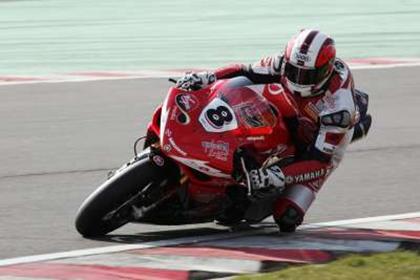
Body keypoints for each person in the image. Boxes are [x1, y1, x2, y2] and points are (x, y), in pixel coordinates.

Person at [176, 29, 371, 232]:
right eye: (295, 71)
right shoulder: (282, 64)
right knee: (250, 106)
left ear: (326, 71)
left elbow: (319, 162)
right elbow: (245, 70)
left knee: (287, 216)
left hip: (321, 141)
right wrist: (208, 77)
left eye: (308, 75)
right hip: (289, 107)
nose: (299, 79)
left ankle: (259, 194)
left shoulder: (339, 108)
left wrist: (275, 176)